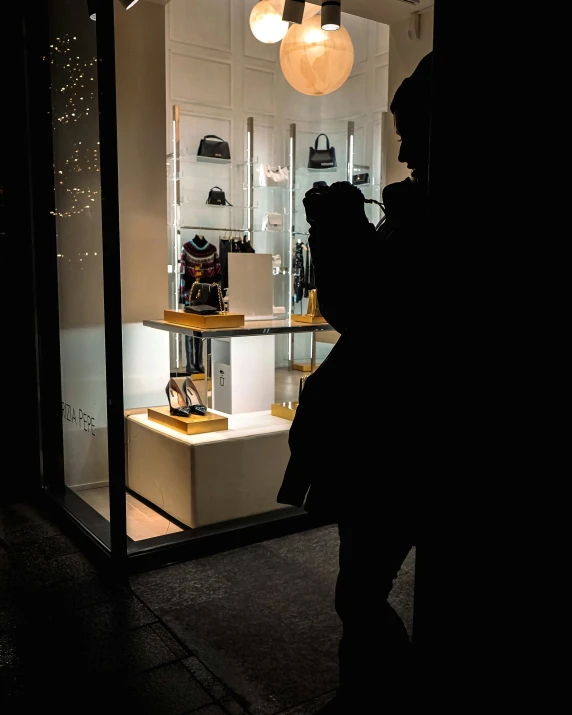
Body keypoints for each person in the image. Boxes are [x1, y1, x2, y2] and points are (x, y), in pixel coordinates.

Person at [277, 52, 433, 714]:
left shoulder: (422, 215)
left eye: (411, 126)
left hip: (392, 434)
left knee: (359, 589)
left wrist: (339, 233)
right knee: (362, 587)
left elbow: (366, 311)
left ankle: (379, 694)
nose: (401, 144)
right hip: (392, 426)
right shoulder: (416, 210)